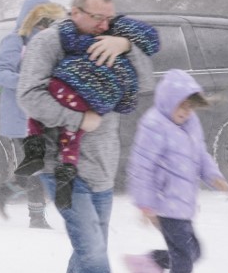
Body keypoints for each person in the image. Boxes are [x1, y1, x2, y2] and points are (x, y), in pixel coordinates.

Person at [17, 0, 154, 273]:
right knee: (92, 251)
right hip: (60, 165)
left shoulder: (113, 38)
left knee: (90, 249)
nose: (104, 24)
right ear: (75, 12)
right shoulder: (49, 43)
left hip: (102, 166)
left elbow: (144, 84)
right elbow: (27, 95)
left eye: (109, 17)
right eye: (97, 17)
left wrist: (125, 46)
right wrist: (78, 118)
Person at [123, 69, 228, 273]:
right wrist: (145, 205)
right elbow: (141, 167)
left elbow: (200, 154)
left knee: (194, 252)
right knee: (184, 256)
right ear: (167, 101)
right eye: (180, 107)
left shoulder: (190, 123)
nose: (185, 112)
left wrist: (213, 176)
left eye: (189, 107)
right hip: (163, 204)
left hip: (182, 203)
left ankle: (146, 263)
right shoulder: (154, 125)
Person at [14, 14, 159, 211]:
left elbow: (145, 80)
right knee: (71, 137)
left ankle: (35, 151)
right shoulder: (124, 57)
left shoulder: (95, 40)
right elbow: (134, 94)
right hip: (88, 106)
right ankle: (64, 170)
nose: (103, 25)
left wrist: (125, 45)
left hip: (67, 91)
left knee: (42, 117)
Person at [0, 0, 64, 229]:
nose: (44, 24)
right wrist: (29, 82)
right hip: (20, 115)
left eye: (47, 19)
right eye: (39, 19)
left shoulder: (47, 42)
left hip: (41, 114)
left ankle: (2, 193)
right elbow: (0, 74)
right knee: (37, 163)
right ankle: (37, 217)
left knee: (40, 163)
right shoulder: (14, 41)